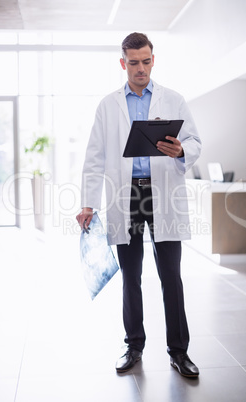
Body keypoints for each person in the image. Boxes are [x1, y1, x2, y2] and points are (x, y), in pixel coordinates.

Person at [76, 32, 201, 377]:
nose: (141, 68)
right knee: (131, 276)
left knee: (170, 276)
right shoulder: (108, 104)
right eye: (134, 62)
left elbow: (194, 141)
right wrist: (88, 203)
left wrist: (182, 151)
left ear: (153, 60)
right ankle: (133, 346)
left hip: (162, 193)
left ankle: (179, 351)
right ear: (123, 63)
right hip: (126, 196)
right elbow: (95, 157)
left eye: (146, 61)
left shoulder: (173, 99)